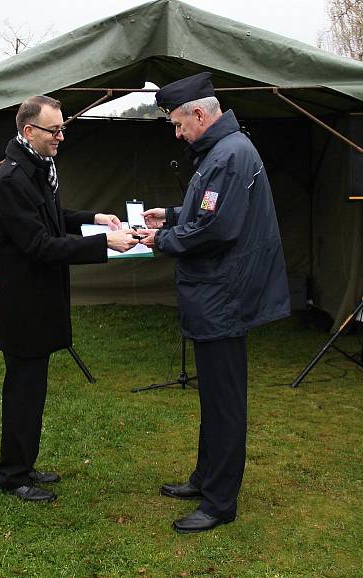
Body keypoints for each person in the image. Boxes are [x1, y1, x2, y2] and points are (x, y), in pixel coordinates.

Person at [138, 72, 290, 533]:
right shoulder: (225, 150)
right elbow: (212, 210)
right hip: (217, 294)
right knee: (213, 396)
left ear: (200, 114)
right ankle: (205, 478)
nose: (178, 133)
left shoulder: (228, 154)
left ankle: (220, 501)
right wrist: (174, 213)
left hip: (223, 295)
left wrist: (161, 238)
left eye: (179, 125)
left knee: (224, 404)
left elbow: (216, 229)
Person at [0, 95, 138, 502]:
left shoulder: (39, 168)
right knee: (22, 391)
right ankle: (13, 475)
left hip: (39, 301)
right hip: (22, 306)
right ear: (28, 132)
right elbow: (39, 244)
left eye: (62, 128)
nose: (61, 137)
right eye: (54, 131)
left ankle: (24, 464)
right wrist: (104, 244)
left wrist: (93, 219)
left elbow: (53, 216)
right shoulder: (12, 179)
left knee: (33, 390)